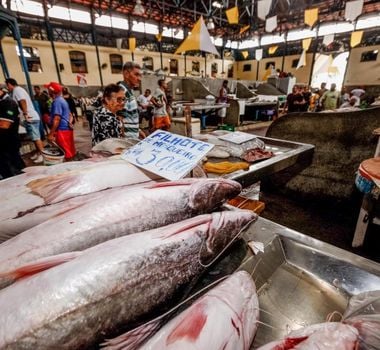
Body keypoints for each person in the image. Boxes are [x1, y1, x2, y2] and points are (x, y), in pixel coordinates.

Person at [5, 78, 44, 163]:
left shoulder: (17, 90)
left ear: (10, 84)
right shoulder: (18, 90)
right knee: (34, 138)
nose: (7, 88)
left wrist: (25, 114)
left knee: (36, 138)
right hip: (30, 117)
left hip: (30, 117)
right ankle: (38, 153)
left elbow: (22, 101)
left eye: (7, 85)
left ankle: (43, 155)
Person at [45, 82, 76, 160]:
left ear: (51, 91)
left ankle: (70, 169)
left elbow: (57, 119)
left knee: (65, 153)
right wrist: (69, 122)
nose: (47, 91)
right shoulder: (62, 100)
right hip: (66, 129)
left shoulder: (57, 102)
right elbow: (70, 115)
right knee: (69, 152)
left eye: (48, 89)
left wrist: (51, 134)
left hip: (62, 131)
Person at [0, 86, 25, 179]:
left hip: (9, 144)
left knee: (13, 172)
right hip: (3, 145)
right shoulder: (2, 103)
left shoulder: (8, 103)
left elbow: (4, 125)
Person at [117, 61, 145, 139]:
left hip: (133, 138)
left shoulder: (129, 91)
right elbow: (119, 118)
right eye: (136, 75)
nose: (139, 79)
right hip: (127, 141)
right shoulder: (121, 91)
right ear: (126, 74)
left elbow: (130, 115)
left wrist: (138, 131)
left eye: (140, 75)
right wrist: (124, 143)